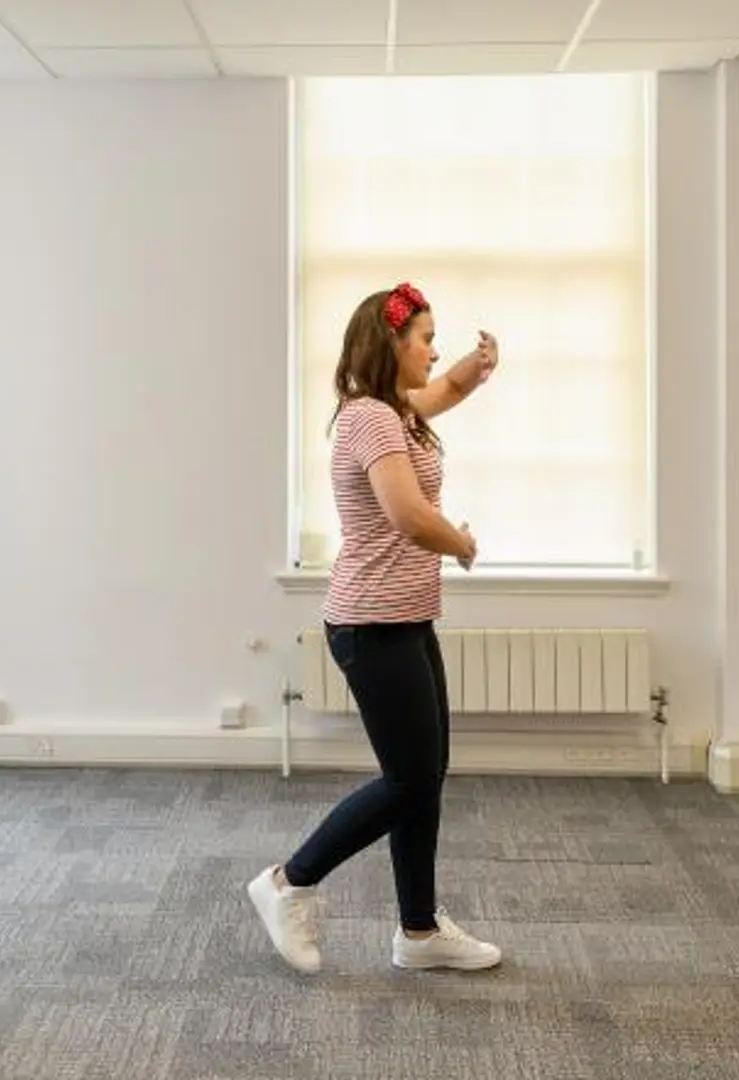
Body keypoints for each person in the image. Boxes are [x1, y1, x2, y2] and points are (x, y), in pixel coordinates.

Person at [247, 281, 502, 974]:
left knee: (425, 775)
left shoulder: (397, 411)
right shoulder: (370, 418)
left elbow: (442, 391)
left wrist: (475, 372)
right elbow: (407, 515)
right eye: (424, 337)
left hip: (406, 618)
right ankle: (286, 884)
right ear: (391, 343)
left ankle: (419, 933)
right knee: (409, 779)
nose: (435, 349)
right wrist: (463, 543)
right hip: (369, 623)